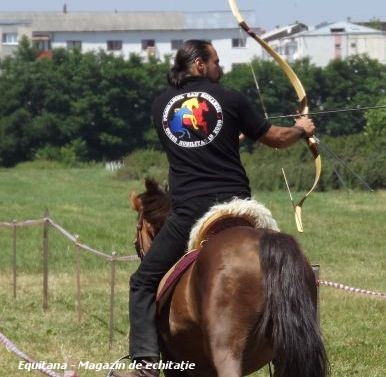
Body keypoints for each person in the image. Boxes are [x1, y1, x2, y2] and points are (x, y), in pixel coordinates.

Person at [111, 39, 315, 377]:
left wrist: (229, 134)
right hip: (239, 207)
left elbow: (196, 142)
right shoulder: (232, 99)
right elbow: (277, 138)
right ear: (199, 65)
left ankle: (145, 365)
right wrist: (301, 128)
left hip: (190, 210)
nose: (222, 67)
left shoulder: (160, 105)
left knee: (143, 282)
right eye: (217, 61)